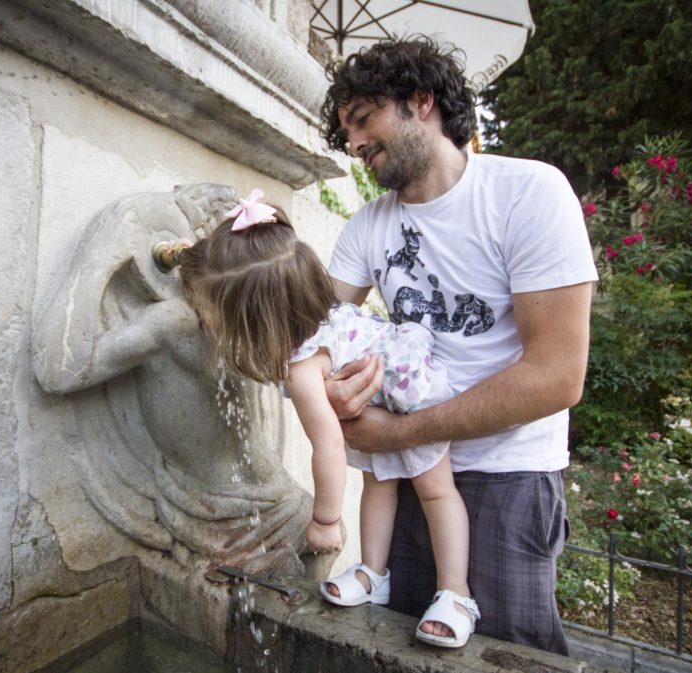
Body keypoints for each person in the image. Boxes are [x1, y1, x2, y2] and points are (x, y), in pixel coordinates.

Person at [317, 37, 599, 655]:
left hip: (508, 473)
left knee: (506, 656)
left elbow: (556, 377)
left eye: (364, 121)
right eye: (348, 135)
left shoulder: (529, 194)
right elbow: (312, 324)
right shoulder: (368, 225)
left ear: (422, 102)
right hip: (410, 474)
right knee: (394, 647)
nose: (356, 144)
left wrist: (395, 433)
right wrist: (327, 390)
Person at [178, 189, 480, 648]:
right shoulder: (316, 322)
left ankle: (456, 593)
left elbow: (329, 447)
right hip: (384, 393)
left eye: (210, 315)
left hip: (412, 394)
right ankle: (373, 573)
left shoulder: (303, 368)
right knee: (379, 483)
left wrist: (324, 520)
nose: (204, 322)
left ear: (252, 322)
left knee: (436, 492)